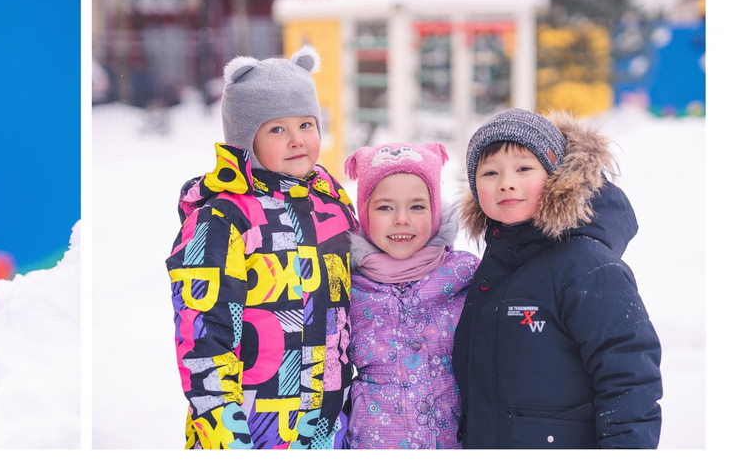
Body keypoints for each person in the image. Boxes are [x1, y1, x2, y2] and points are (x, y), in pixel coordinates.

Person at [167, 46, 353, 450]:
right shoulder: (223, 218)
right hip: (251, 426)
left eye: (306, 124)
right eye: (276, 129)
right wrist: (224, 428)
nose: (296, 140)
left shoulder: (333, 205)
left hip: (326, 426)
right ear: (245, 141)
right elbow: (203, 332)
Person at [451, 110, 662, 449]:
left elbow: (629, 379)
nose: (506, 182)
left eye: (524, 168)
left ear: (556, 177)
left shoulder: (587, 267)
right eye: (490, 172)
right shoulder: (493, 268)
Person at [340, 141, 473, 450]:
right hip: (376, 443)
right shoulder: (349, 286)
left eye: (417, 206)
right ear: (365, 213)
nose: (402, 219)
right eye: (385, 207)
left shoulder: (465, 275)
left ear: (435, 211)